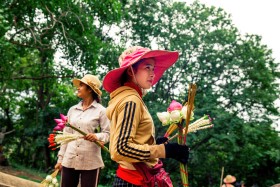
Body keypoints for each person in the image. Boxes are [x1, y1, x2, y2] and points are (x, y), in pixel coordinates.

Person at [103, 46, 190, 186]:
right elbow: (121, 149)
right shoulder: (131, 101)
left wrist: (156, 145)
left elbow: (134, 142)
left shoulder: (127, 98)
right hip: (134, 181)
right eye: (147, 67)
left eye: (153, 69)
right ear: (131, 71)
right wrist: (165, 151)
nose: (152, 74)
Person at [54, 74, 110, 187]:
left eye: (81, 85)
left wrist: (96, 136)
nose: (78, 88)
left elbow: (108, 134)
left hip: (91, 161)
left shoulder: (102, 111)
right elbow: (66, 136)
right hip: (69, 159)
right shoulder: (72, 110)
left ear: (90, 89)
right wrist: (60, 159)